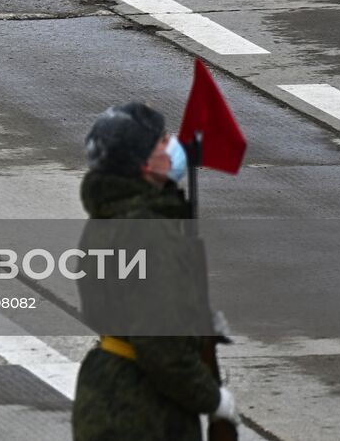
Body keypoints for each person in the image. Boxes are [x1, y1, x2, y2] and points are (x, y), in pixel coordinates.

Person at [72, 102, 241, 440]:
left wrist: (191, 319)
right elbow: (161, 347)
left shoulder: (106, 221)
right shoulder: (151, 233)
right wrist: (213, 399)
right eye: (162, 141)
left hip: (105, 393)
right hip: (146, 412)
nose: (173, 145)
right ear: (144, 164)